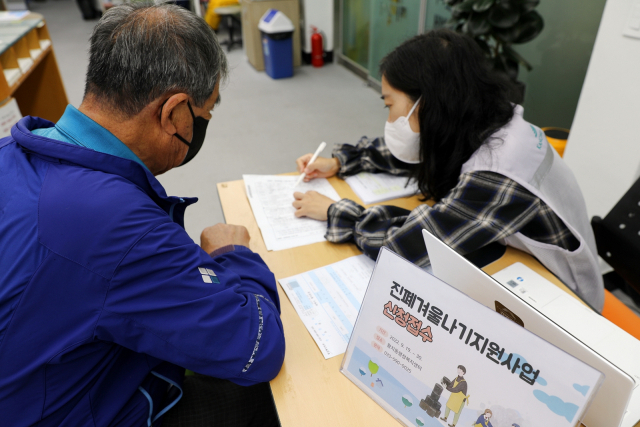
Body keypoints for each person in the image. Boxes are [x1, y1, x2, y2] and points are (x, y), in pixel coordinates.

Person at [0, 4, 284, 427]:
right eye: (202, 117)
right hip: (67, 411)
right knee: (256, 397)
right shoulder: (117, 226)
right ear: (172, 113)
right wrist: (233, 252)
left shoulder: (11, 152)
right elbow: (256, 348)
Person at [293, 29, 604, 311]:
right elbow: (421, 150)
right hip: (517, 264)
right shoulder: (488, 121)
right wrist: (341, 161)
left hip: (564, 303)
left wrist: (337, 211)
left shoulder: (498, 173)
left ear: (427, 104)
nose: (390, 119)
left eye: (390, 105)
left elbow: (404, 246)